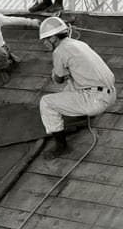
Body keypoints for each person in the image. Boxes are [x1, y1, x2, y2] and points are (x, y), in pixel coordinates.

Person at [38, 17, 116, 159]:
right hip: (111, 94)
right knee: (71, 84)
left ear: (54, 38)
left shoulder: (59, 51)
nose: (44, 43)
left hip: (95, 101)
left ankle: (61, 146)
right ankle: (80, 114)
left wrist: (54, 73)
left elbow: (58, 80)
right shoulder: (79, 43)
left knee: (46, 102)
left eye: (46, 39)